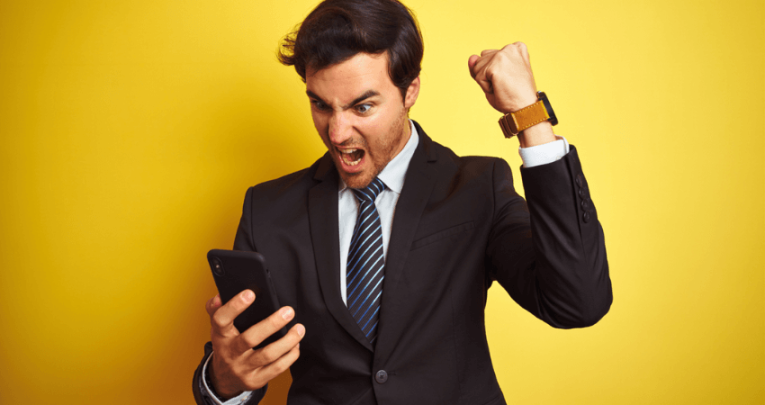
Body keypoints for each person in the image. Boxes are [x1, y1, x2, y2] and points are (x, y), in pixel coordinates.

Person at [192, 0, 613, 404]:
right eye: (320, 104)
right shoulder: (266, 210)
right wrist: (224, 381)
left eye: (363, 106)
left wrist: (529, 114)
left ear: (410, 90)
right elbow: (242, 360)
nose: (337, 132)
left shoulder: (477, 187)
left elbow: (578, 301)